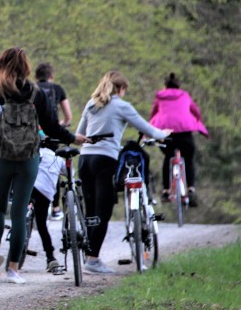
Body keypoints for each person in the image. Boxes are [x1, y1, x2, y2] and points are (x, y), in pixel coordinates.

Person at [0, 47, 85, 284]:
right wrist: (73, 138)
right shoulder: (36, 92)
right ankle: (13, 269)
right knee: (20, 212)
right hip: (28, 157)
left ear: (2, 65)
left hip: (0, 154)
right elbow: (52, 126)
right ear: (26, 67)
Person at [76, 70, 171, 274]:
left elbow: (80, 133)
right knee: (104, 210)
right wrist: (163, 134)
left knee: (90, 210)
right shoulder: (121, 105)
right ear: (121, 89)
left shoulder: (91, 103)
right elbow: (146, 128)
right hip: (105, 160)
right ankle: (92, 261)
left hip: (84, 159)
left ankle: (87, 255)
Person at [149, 72, 208, 207]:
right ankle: (191, 189)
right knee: (189, 159)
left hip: (166, 133)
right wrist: (197, 120)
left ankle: (165, 191)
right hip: (185, 132)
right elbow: (196, 111)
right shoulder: (185, 95)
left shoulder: (160, 97)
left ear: (165, 85)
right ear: (178, 85)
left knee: (168, 158)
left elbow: (154, 113)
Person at [35, 62, 72, 221]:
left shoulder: (31, 89)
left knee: (33, 163)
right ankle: (56, 208)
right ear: (51, 76)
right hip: (52, 134)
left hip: (33, 133)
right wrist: (62, 125)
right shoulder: (58, 89)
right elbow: (68, 116)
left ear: (36, 76)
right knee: (54, 166)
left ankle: (30, 203)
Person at [32, 134, 67, 272]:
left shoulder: (35, 153)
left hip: (29, 187)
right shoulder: (58, 158)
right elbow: (70, 173)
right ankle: (50, 256)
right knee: (41, 225)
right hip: (44, 194)